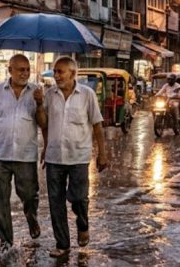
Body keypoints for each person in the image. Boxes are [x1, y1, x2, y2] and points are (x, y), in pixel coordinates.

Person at [0, 54, 47, 251]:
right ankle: (6, 241)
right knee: (0, 200)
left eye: (27, 69)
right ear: (10, 70)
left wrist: (40, 104)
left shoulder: (37, 92)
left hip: (25, 155)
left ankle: (31, 218)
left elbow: (44, 124)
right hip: (0, 155)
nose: (24, 73)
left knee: (30, 195)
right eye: (20, 69)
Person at [43, 56, 108, 257]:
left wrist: (102, 154)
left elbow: (97, 124)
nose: (56, 75)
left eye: (60, 71)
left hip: (79, 156)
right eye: (55, 71)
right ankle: (62, 244)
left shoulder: (87, 95)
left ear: (73, 74)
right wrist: (38, 105)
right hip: (54, 156)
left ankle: (82, 223)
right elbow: (43, 123)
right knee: (56, 202)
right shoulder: (49, 95)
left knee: (79, 198)